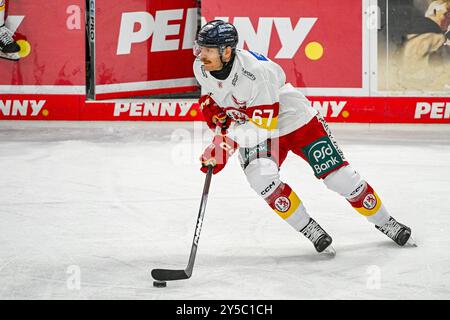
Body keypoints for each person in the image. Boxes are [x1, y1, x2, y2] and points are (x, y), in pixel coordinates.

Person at [193, 20, 415, 255]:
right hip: (257, 126)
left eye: (208, 50)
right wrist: (216, 114)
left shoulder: (257, 74)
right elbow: (216, 98)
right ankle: (309, 228)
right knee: (260, 177)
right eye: (201, 48)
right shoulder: (201, 67)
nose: (201, 55)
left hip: (296, 121)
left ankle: (386, 222)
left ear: (226, 51)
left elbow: (262, 127)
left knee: (340, 178)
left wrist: (224, 145)